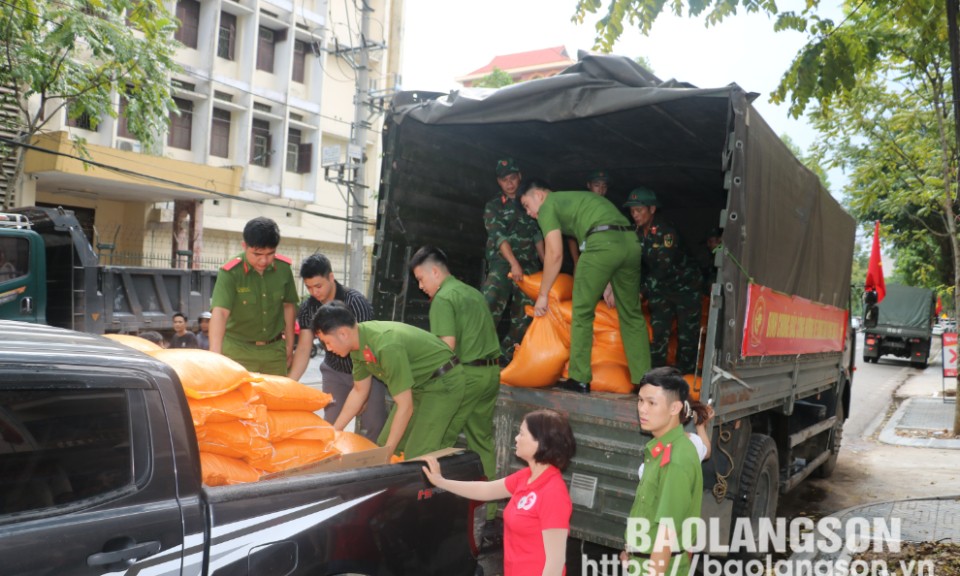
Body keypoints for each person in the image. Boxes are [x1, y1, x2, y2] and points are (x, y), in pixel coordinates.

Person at [517, 179, 651, 393]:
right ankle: (645, 380)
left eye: (527, 206)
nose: (529, 213)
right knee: (632, 315)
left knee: (582, 311)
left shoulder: (548, 206)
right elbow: (605, 235)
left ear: (539, 196)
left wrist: (543, 294)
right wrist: (609, 283)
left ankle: (578, 377)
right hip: (630, 244)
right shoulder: (578, 201)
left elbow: (555, 253)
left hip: (603, 243)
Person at [421, 409, 576, 576]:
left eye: (522, 434)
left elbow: (555, 563)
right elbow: (486, 490)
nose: (516, 438)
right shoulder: (526, 477)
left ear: (540, 442)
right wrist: (441, 481)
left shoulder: (553, 493)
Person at [312, 302, 469, 458]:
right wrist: (334, 432)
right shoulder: (357, 345)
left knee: (417, 453)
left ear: (343, 333)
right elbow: (359, 391)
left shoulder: (385, 345)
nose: (329, 349)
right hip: (418, 385)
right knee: (384, 444)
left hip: (443, 383)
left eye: (327, 342)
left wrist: (387, 453)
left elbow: (405, 406)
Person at [409, 245, 500, 515]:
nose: (421, 286)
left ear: (435, 272)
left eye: (421, 279)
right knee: (481, 441)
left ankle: (439, 509)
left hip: (467, 377)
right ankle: (489, 510)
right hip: (492, 373)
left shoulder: (443, 299)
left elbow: (444, 348)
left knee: (442, 439)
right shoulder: (473, 293)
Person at [288, 253, 388, 442]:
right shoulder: (309, 307)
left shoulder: (355, 302)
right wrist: (288, 383)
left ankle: (369, 467)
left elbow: (368, 346)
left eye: (318, 286)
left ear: (331, 277)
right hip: (334, 370)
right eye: (309, 288)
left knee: (374, 424)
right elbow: (303, 349)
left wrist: (364, 395)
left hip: (367, 369)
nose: (314, 292)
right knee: (332, 423)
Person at [622, 367, 703, 576]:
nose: (642, 409)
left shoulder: (675, 459)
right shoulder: (660, 449)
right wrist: (631, 552)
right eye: (640, 400)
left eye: (651, 403)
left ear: (675, 408)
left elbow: (666, 533)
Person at [624, 188, 702, 373]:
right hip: (661, 288)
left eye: (639, 210)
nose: (635, 214)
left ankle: (684, 376)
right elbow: (632, 261)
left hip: (686, 288)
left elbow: (662, 266)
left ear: (651, 209)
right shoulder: (634, 232)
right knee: (658, 332)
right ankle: (654, 375)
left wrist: (642, 291)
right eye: (632, 210)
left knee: (686, 335)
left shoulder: (666, 231)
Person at [209, 217, 299, 376]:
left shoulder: (284, 269)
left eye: (270, 254)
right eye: (257, 254)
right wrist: (215, 357)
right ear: (245, 246)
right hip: (237, 352)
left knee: (276, 399)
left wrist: (289, 346)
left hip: (274, 352)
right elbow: (220, 313)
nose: (264, 260)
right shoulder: (231, 272)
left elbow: (288, 307)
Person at [482, 158, 545, 364]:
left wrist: (546, 267)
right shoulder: (493, 206)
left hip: (529, 265)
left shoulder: (529, 202)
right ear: (498, 182)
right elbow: (498, 237)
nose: (509, 184)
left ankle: (505, 354)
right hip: (503, 262)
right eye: (504, 180)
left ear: (520, 177)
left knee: (526, 314)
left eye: (512, 178)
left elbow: (538, 236)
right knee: (488, 303)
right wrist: (513, 264)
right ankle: (480, 351)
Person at [637, 399, 714, 479]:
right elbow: (706, 451)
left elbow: (645, 476)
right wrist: (700, 425)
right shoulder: (693, 441)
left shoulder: (659, 448)